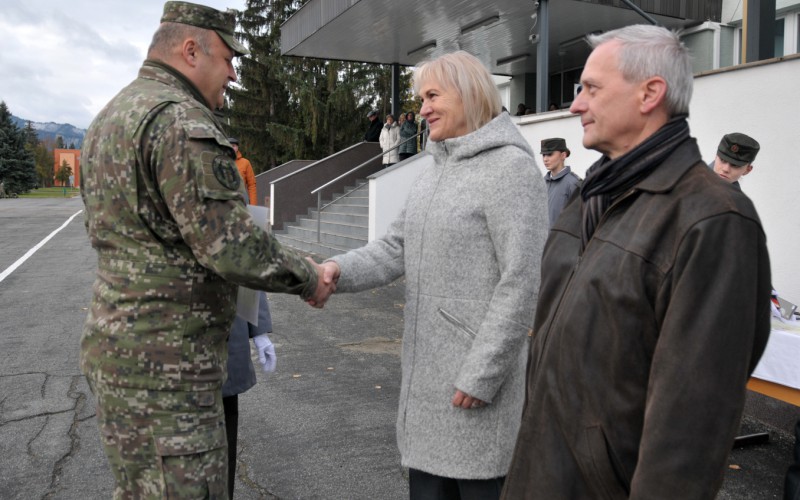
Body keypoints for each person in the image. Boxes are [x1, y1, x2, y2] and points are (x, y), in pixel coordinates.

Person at [501, 25, 771, 499]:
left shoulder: (714, 219)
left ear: (650, 93)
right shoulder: (590, 195)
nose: (576, 104)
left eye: (591, 88)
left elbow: (691, 428)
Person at [79, 2, 332, 497]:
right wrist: (309, 275)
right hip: (168, 368)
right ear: (190, 50)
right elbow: (232, 247)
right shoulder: (180, 123)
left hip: (120, 356)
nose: (234, 73)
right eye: (228, 58)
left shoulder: (112, 116)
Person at [312, 51, 549, 500]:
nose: (422, 109)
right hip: (427, 395)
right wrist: (335, 270)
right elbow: (393, 247)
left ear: (469, 94)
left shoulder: (511, 171)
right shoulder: (433, 171)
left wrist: (482, 374)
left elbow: (522, 281)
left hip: (475, 391)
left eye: (432, 95)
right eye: (421, 98)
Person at [223, 291, 275, 499]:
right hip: (157, 359)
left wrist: (259, 331)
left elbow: (245, 275)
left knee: (223, 452)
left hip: (221, 351)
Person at [540, 137, 580, 227]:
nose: (545, 159)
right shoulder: (542, 183)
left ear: (563, 155)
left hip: (561, 240)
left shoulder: (573, 184)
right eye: (543, 155)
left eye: (549, 154)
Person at [229, 137, 257, 204]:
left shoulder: (245, 163)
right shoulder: (219, 162)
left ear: (237, 148)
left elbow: (252, 185)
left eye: (234, 146)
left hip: (241, 201)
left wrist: (253, 205)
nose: (231, 148)